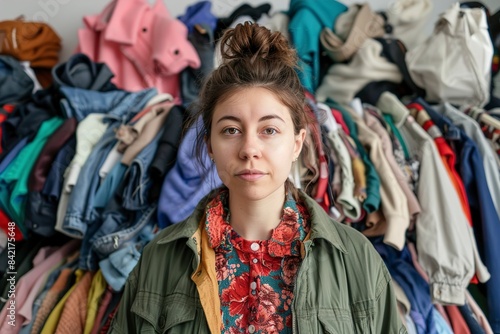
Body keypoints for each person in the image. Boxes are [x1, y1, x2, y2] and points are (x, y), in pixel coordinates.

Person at [109, 22, 407, 334]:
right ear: (210, 145)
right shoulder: (160, 259)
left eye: (269, 130)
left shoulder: (355, 259)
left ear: (296, 143)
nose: (249, 149)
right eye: (231, 130)